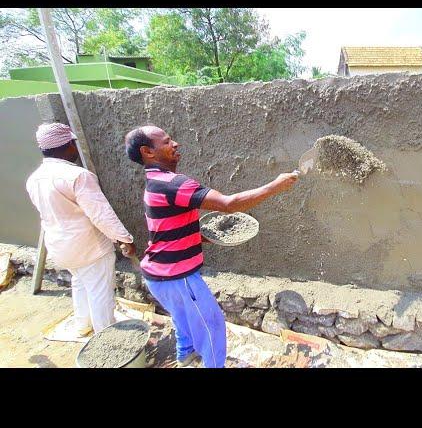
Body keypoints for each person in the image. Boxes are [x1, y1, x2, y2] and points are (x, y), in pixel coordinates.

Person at [124, 125, 298, 368]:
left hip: (157, 274)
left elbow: (167, 224)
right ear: (148, 152)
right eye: (166, 142)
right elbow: (229, 204)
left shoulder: (154, 182)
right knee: (212, 325)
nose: (175, 144)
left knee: (182, 317)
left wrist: (200, 235)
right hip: (176, 276)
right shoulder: (174, 184)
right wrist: (276, 186)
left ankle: (184, 354)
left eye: (172, 139)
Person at [26, 123, 136, 337]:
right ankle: (108, 341)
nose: (75, 149)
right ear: (66, 145)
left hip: (60, 247)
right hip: (88, 247)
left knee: (81, 282)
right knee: (100, 292)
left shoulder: (34, 179)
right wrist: (124, 238)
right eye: (73, 144)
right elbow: (100, 214)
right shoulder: (76, 176)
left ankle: (82, 324)